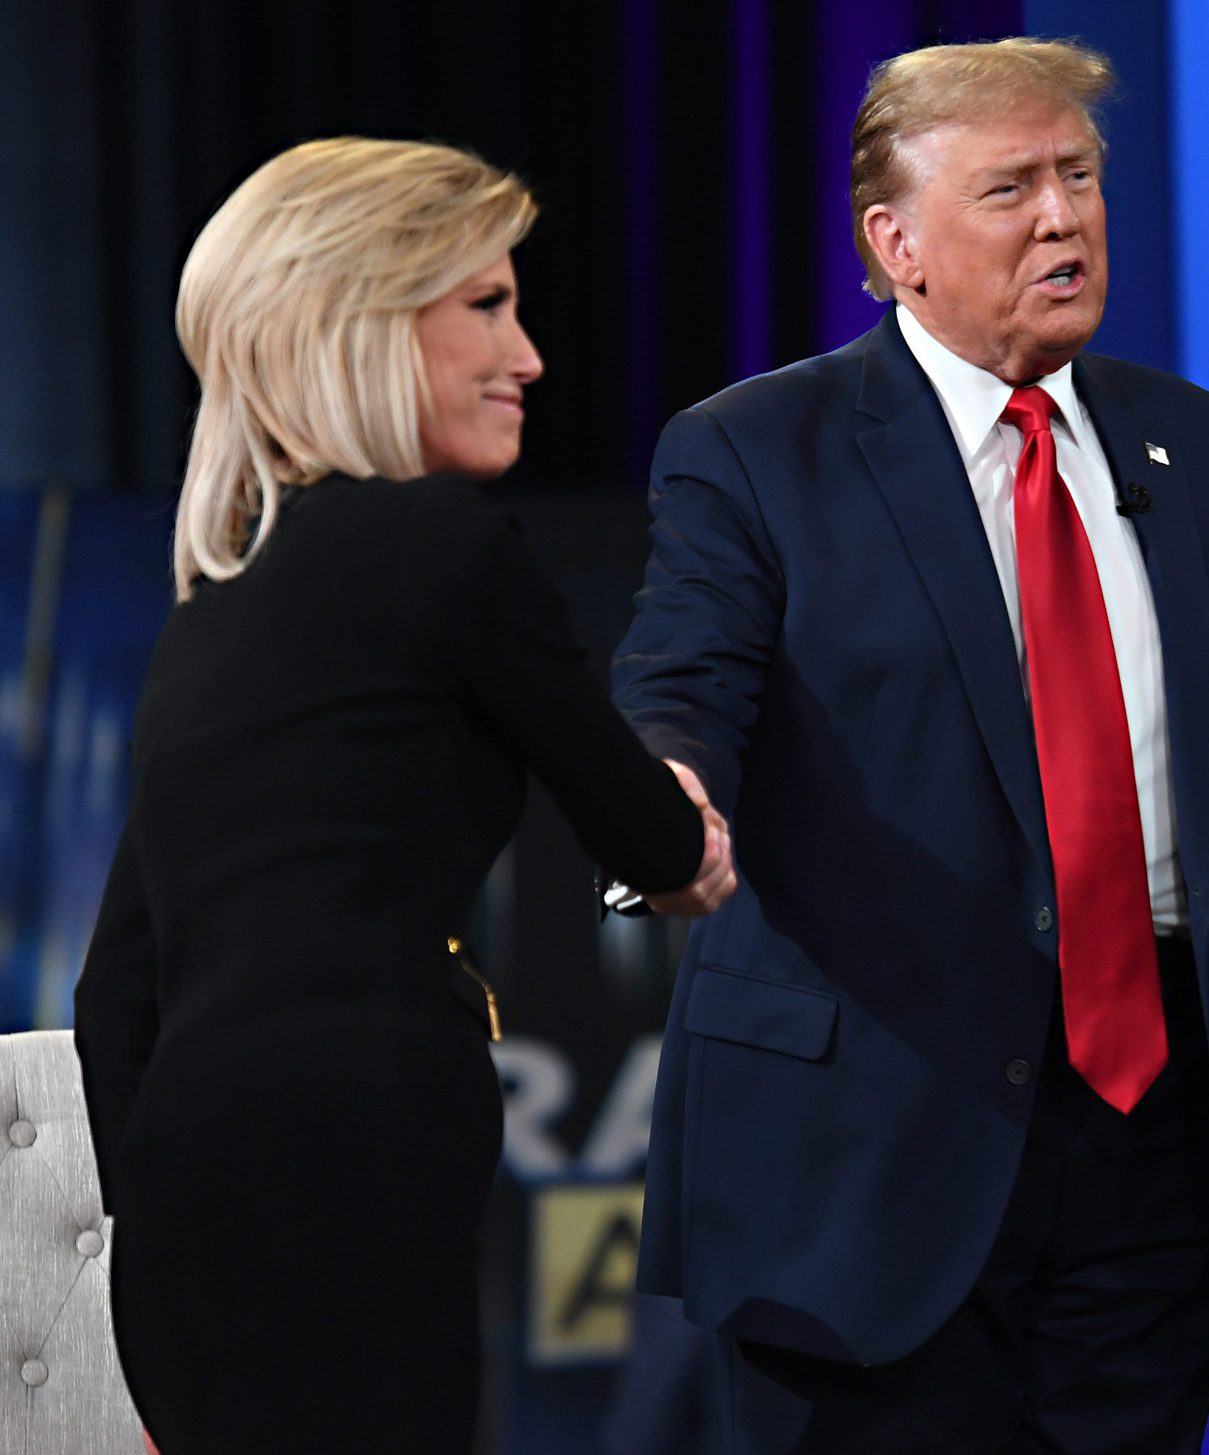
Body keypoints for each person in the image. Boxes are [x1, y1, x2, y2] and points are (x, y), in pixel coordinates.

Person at [611, 37, 1209, 1454]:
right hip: (868, 1141)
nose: (1064, 216)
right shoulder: (756, 449)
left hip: (1152, 1149)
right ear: (896, 243)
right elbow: (682, 681)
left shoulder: (1208, 450)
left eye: (1081, 177)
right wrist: (665, 805)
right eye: (1011, 189)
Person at [71, 136, 733, 1455]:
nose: (529, 355)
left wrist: (145, 1275)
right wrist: (688, 832)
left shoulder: (213, 608)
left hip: (179, 1193)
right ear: (362, 322)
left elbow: (113, 996)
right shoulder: (441, 544)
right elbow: (654, 840)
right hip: (359, 1159)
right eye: (486, 306)